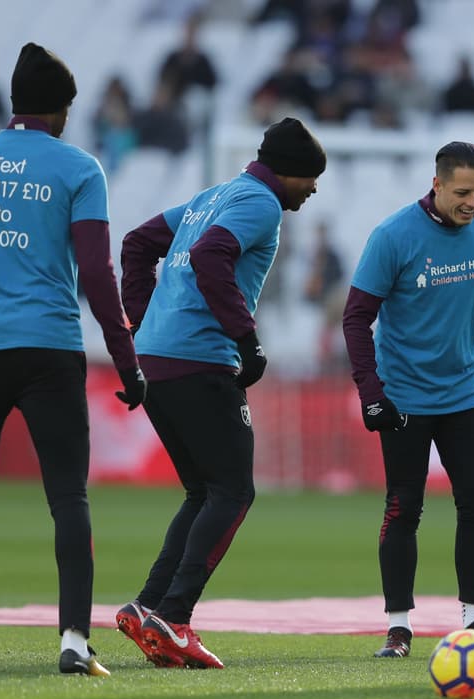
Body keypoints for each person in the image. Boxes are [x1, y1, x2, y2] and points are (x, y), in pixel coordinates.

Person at [0, 43, 146, 676]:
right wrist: (126, 361)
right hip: (49, 348)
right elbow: (98, 275)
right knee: (68, 498)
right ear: (62, 110)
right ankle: (74, 641)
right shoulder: (79, 169)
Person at [114, 116, 327, 669]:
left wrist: (144, 323)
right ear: (290, 173)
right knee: (233, 491)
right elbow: (211, 257)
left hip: (159, 360)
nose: (314, 189)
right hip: (200, 360)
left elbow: (137, 244)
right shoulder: (260, 202)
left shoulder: (213, 195)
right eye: (311, 178)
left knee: (202, 491)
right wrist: (247, 338)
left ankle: (148, 608)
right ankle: (176, 617)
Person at [342, 141, 474, 660]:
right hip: (405, 398)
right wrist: (371, 391)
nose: (473, 202)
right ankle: (399, 629)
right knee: (404, 508)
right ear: (438, 184)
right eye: (464, 192)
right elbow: (356, 317)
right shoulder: (393, 236)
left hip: (467, 393)